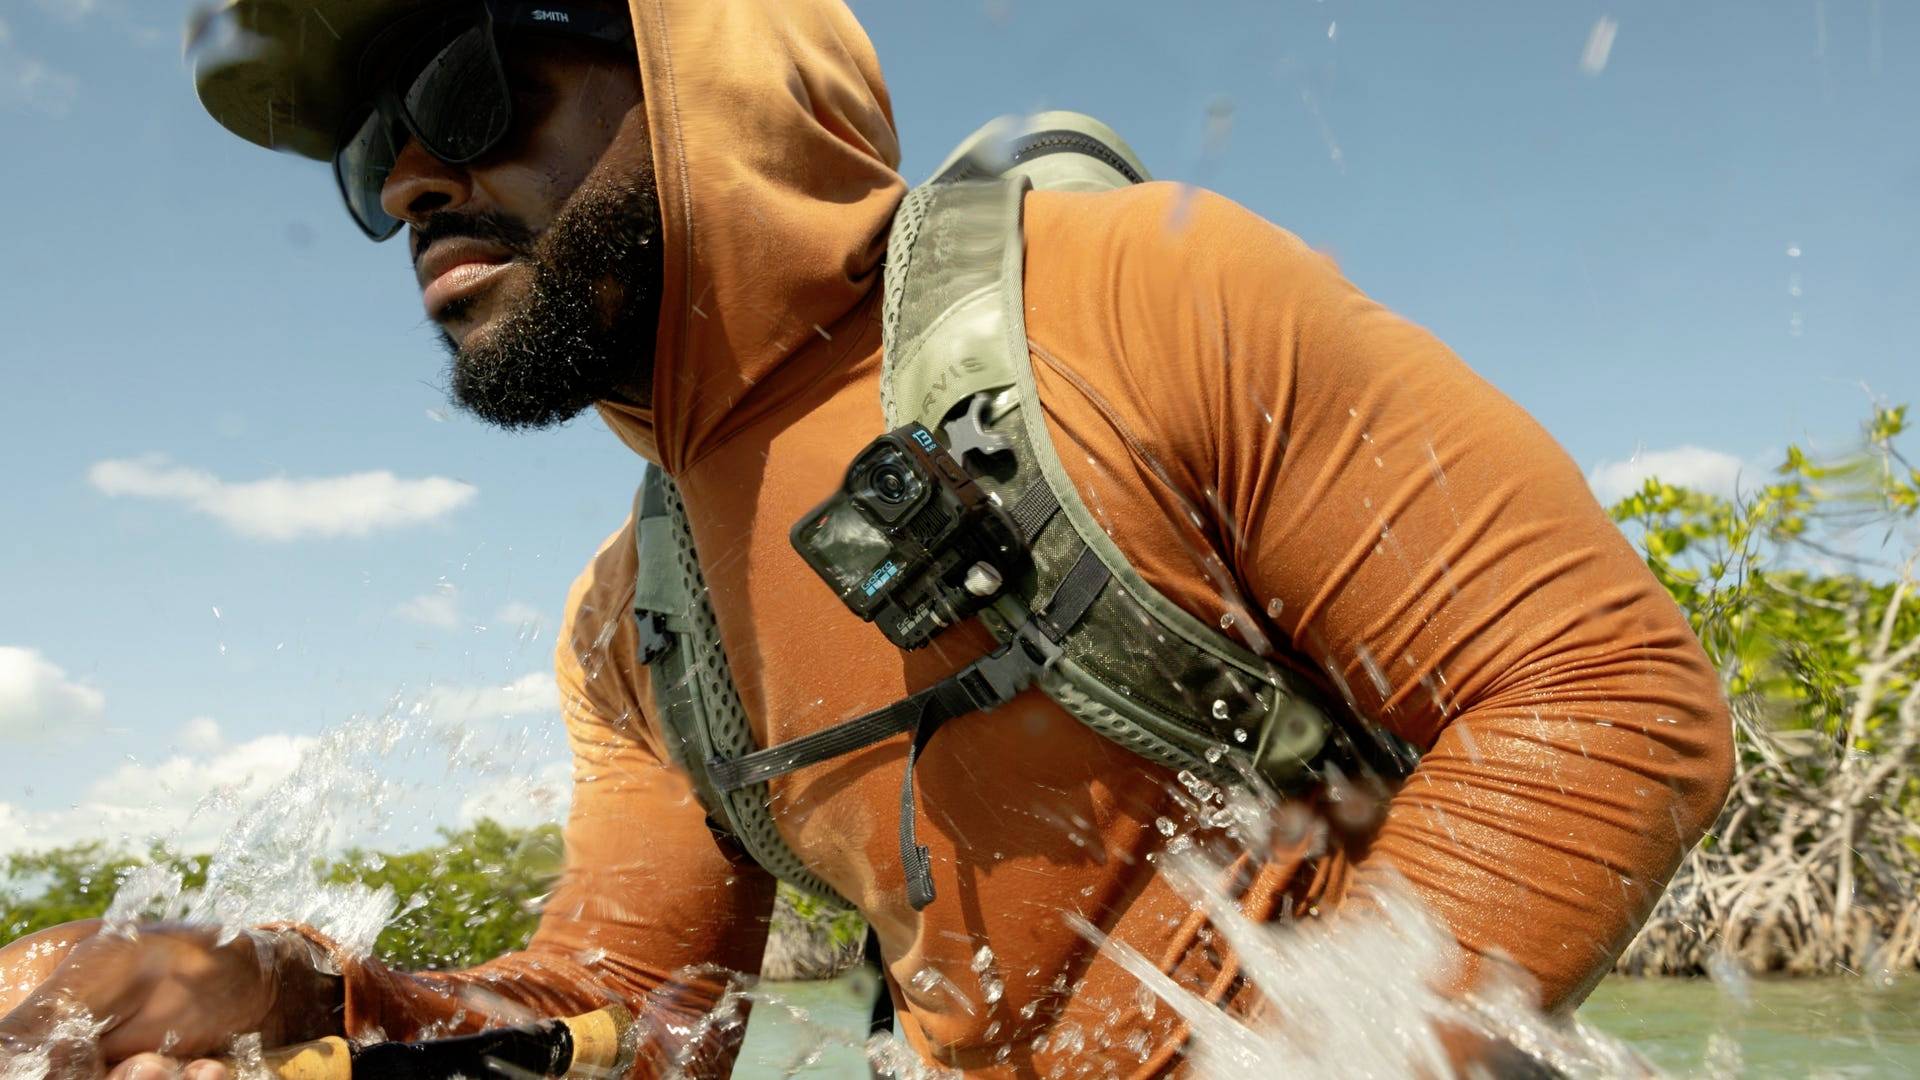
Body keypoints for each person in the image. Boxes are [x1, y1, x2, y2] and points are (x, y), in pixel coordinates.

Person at [0, 0, 1735, 1076]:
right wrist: (312, 1003)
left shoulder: (1140, 292)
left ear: (692, 54)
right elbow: (638, 1016)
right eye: (369, 153)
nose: (405, 186)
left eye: (463, 88)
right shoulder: (635, 621)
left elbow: (1603, 692)